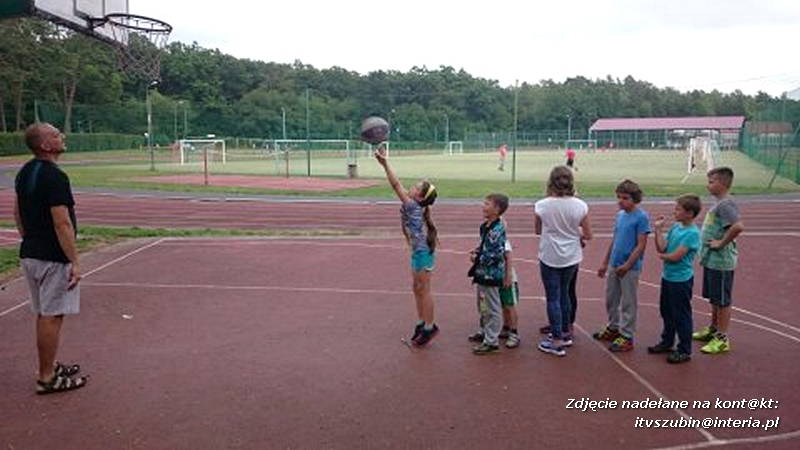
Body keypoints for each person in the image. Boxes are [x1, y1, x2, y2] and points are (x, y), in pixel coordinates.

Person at [14, 122, 87, 394]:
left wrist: (30, 239)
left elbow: (17, 213)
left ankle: (50, 365)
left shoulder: (25, 172)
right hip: (53, 257)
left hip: (31, 253)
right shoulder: (55, 177)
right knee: (52, 315)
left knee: (44, 313)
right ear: (45, 145)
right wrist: (75, 261)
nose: (62, 137)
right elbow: (62, 223)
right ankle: (47, 377)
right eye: (56, 135)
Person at [374, 145, 440, 346]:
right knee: (416, 288)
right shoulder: (417, 206)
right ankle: (421, 322)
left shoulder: (412, 206)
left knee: (425, 289)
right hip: (417, 251)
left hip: (422, 253)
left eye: (416, 187)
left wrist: (385, 164)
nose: (411, 188)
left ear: (419, 196)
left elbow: (395, 185)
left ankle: (430, 327)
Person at [534, 166, 592, 357]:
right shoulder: (580, 205)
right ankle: (566, 332)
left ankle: (556, 339)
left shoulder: (542, 205)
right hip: (571, 256)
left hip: (550, 255)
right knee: (565, 294)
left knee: (553, 297)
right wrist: (576, 233)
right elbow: (588, 234)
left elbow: (537, 230)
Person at [593, 180, 651, 352]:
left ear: (635, 199)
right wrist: (605, 262)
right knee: (611, 298)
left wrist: (627, 265)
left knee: (628, 301)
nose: (621, 201)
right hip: (614, 264)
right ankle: (614, 327)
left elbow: (641, 245)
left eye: (625, 198)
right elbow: (615, 240)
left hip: (630, 268)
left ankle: (627, 335)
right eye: (618, 197)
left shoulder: (641, 217)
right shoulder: (620, 215)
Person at [694, 167, 744, 354]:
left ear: (722, 183)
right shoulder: (719, 203)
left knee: (722, 300)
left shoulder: (726, 204)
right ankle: (714, 329)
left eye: (711, 181)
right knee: (715, 298)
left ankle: (722, 338)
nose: (708, 185)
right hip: (712, 261)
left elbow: (738, 226)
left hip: (722, 262)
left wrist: (721, 242)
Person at [649, 195, 702, 364]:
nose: (675, 211)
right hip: (668, 277)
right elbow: (663, 246)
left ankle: (684, 349)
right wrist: (658, 230)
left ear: (690, 213)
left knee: (681, 315)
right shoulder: (676, 227)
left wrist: (664, 256)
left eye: (678, 209)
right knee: (667, 312)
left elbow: (676, 256)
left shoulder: (692, 233)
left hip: (681, 280)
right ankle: (667, 341)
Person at [468, 193, 509, 355]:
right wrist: (478, 251)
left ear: (497, 209)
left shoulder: (497, 230)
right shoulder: (485, 226)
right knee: (482, 305)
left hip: (491, 275)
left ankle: (492, 341)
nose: (483, 206)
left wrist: (477, 258)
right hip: (482, 273)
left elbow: (496, 254)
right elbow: (485, 247)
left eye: (487, 204)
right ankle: (485, 331)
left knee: (492, 307)